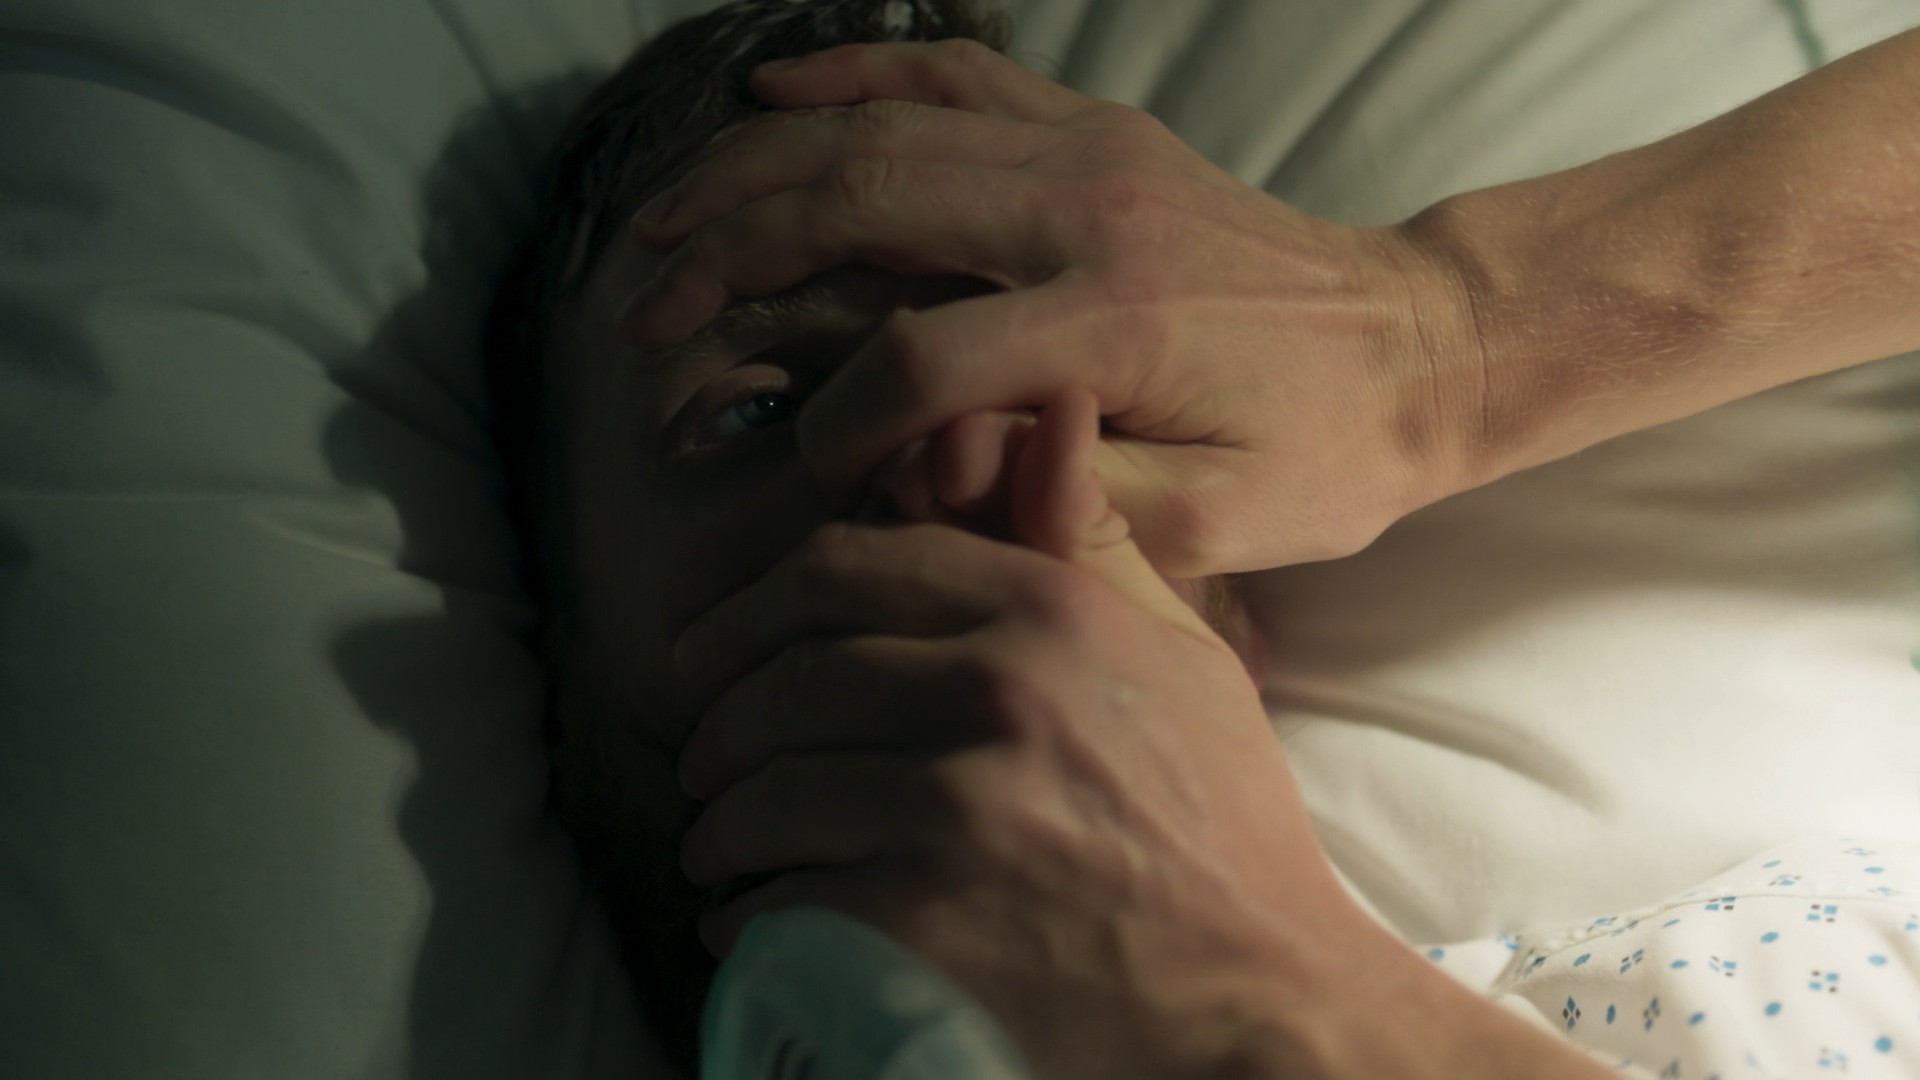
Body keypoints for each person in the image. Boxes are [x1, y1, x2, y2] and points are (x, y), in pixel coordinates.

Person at [488, 0, 1920, 1076]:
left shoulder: (1784, 981)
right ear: (555, 682)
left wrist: (1452, 338)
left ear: (1232, 642)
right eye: (758, 411)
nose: (950, 457)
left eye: (1061, 384)